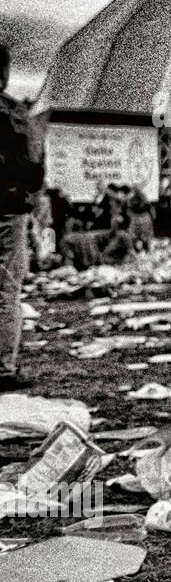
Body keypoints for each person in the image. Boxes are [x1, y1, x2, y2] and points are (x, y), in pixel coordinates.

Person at [0, 43, 43, 390]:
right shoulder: (14, 114)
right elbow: (33, 168)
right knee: (7, 288)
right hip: (8, 209)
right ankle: (2, 367)